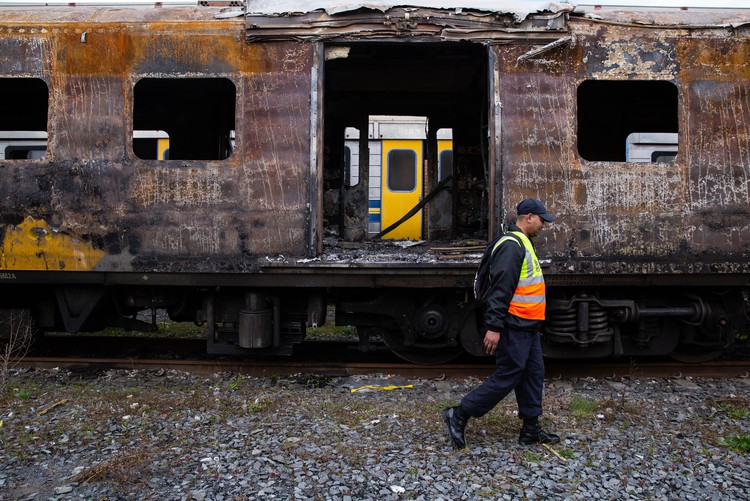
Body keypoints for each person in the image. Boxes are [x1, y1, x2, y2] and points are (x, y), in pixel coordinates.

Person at [442, 198, 560, 448]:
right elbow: (500, 290)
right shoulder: (512, 245)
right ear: (529, 217)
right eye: (541, 220)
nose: (543, 225)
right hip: (513, 325)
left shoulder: (523, 243)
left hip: (528, 325)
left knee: (533, 375)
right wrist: (494, 327)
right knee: (508, 376)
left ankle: (530, 429)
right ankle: (459, 414)